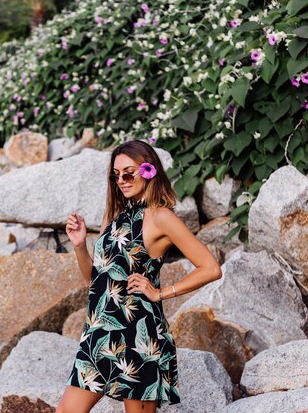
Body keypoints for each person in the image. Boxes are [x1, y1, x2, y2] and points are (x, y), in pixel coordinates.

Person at [57, 139, 223, 413]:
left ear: (148, 170)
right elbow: (96, 281)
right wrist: (79, 245)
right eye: (117, 175)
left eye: (129, 172)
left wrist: (161, 293)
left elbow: (210, 268)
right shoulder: (115, 215)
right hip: (99, 334)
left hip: (138, 335)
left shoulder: (160, 217)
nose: (122, 180)